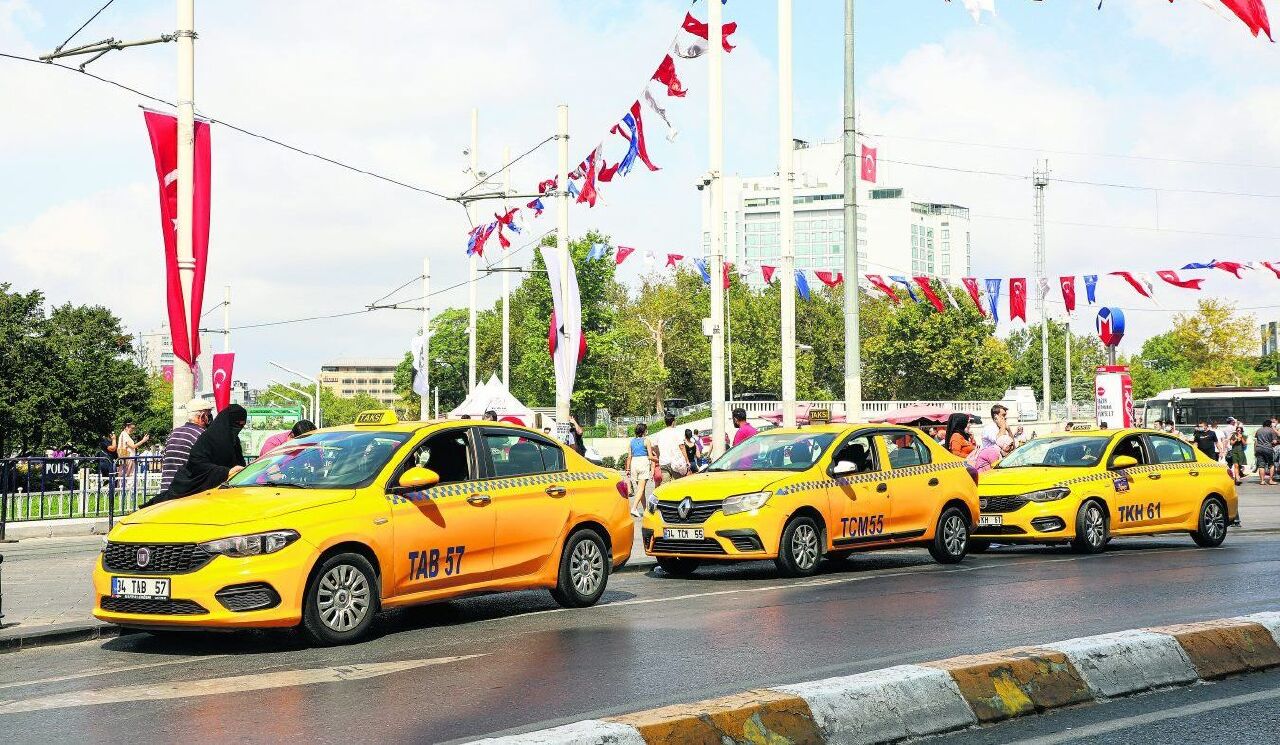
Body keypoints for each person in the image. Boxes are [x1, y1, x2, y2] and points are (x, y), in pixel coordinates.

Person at [165, 404, 248, 499]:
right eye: (237, 424)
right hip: (192, 492)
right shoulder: (207, 438)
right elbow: (197, 464)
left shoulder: (234, 441)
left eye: (242, 425)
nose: (239, 428)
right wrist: (226, 472)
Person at [160, 398, 214, 493]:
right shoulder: (202, 435)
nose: (210, 418)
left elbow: (164, 460)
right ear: (202, 416)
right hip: (186, 493)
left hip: (166, 491)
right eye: (209, 415)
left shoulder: (173, 433)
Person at [624, 423, 655, 516]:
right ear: (644, 431)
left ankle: (645, 510)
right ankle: (634, 508)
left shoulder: (631, 442)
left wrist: (628, 469)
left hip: (634, 463)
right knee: (641, 489)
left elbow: (629, 457)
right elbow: (650, 456)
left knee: (641, 490)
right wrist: (658, 459)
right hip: (643, 463)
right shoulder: (646, 441)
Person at [654, 413, 689, 482]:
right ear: (673, 422)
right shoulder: (677, 432)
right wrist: (687, 460)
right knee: (678, 483)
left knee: (666, 483)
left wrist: (659, 456)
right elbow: (682, 447)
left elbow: (655, 447)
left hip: (664, 462)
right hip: (675, 462)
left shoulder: (659, 434)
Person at [1254, 418, 1278, 486]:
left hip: (1258, 449)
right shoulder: (1271, 430)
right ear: (1270, 424)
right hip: (1268, 449)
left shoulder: (1258, 430)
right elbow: (1274, 441)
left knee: (1261, 465)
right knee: (1271, 464)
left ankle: (1262, 481)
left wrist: (1255, 450)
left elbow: (1256, 440)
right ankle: (1270, 480)